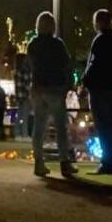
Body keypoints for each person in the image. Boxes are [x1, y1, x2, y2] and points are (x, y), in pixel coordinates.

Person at [27, 11, 76, 177]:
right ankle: (64, 162)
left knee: (39, 127)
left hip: (38, 88)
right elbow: (66, 65)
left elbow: (31, 66)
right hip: (55, 88)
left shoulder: (33, 44)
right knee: (60, 127)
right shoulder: (57, 44)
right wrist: (68, 84)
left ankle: (39, 162)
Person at [82, 9, 112, 175]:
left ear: (99, 22)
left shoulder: (100, 40)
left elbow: (93, 63)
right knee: (110, 125)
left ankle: (107, 162)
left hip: (99, 87)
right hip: (111, 87)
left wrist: (85, 80)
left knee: (102, 124)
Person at [13, 52, 34, 140]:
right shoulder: (25, 70)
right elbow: (27, 85)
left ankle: (17, 134)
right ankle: (25, 134)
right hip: (25, 96)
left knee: (19, 115)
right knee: (25, 116)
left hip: (19, 96)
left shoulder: (17, 71)